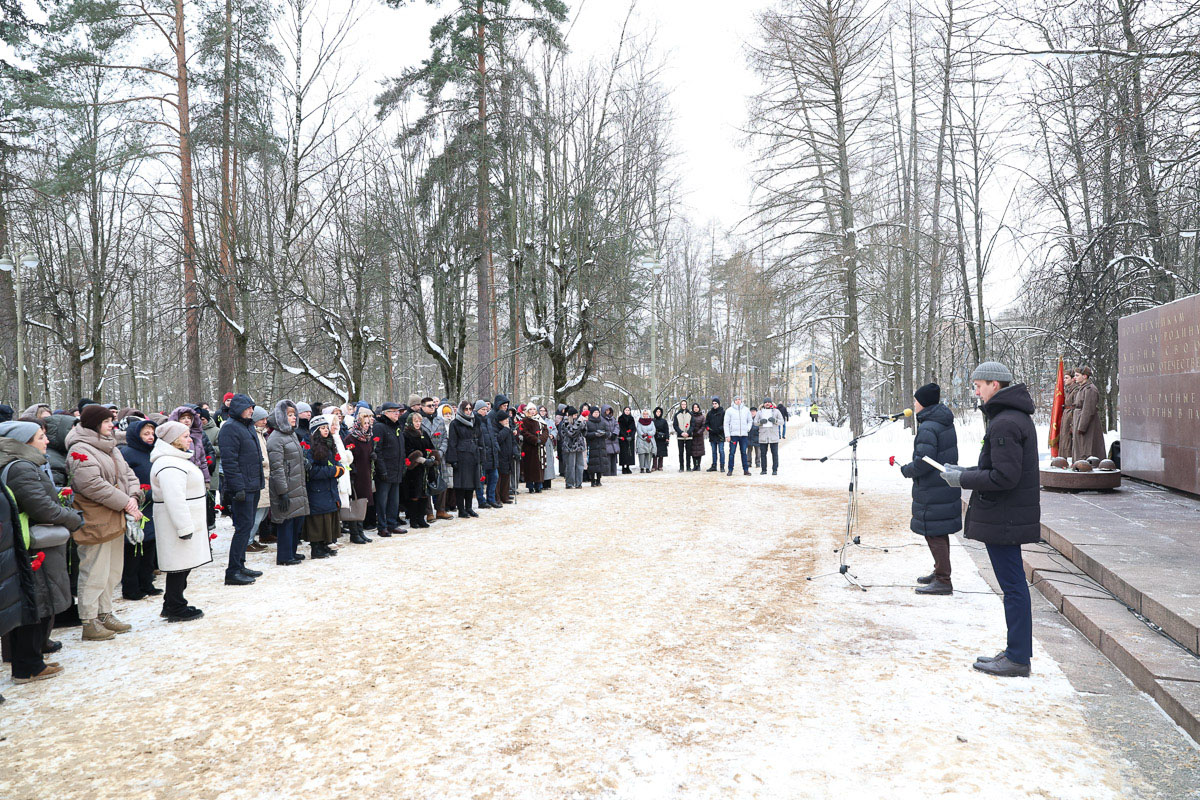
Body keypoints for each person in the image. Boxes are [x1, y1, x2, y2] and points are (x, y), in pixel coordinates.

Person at [939, 361, 1039, 678]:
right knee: (1013, 587)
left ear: (995, 385)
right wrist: (965, 473)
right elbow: (1000, 469)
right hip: (1006, 516)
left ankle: (1018, 657)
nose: (976, 391)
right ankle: (1015, 651)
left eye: (978, 385)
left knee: (1013, 588)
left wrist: (963, 479)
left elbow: (1004, 477)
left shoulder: (1005, 423)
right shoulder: (1009, 418)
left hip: (1005, 517)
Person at [0, 419, 82, 683]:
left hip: (28, 543)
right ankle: (28, 665)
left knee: (33, 600)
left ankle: (28, 659)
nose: (46, 441)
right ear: (24, 443)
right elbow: (41, 508)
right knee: (37, 601)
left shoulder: (24, 465)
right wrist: (72, 517)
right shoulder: (22, 467)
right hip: (34, 545)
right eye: (40, 437)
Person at [67, 404, 143, 641]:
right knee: (94, 572)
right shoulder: (80, 450)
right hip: (96, 520)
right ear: (94, 424)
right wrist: (126, 503)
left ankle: (105, 613)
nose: (112, 425)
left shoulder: (110, 447)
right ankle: (89, 621)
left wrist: (133, 496)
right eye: (108, 421)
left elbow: (128, 475)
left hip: (115, 516)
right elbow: (91, 485)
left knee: (112, 571)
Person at [897, 383, 961, 596]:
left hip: (934, 488)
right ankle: (940, 571)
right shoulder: (939, 420)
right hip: (941, 485)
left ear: (923, 403)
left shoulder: (929, 426)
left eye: (916, 401)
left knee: (934, 534)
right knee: (937, 532)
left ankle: (943, 580)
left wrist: (907, 470)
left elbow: (924, 461)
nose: (914, 405)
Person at [148, 421, 210, 622]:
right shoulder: (168, 464)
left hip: (185, 518)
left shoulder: (174, 459)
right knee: (179, 565)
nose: (190, 439)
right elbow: (174, 498)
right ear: (173, 441)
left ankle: (173, 601)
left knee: (183, 564)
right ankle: (175, 605)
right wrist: (184, 527)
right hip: (176, 521)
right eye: (185, 436)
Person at [216, 393, 263, 585]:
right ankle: (232, 571)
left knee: (247, 526)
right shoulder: (229, 428)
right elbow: (230, 462)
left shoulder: (248, 426)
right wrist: (237, 488)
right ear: (237, 409)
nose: (252, 410)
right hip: (242, 487)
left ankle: (241, 565)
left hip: (253, 484)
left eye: (252, 407)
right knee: (242, 528)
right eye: (248, 407)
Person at [117, 418, 160, 600]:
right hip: (136, 504)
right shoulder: (127, 453)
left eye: (152, 434)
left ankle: (147, 582)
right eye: (146, 434)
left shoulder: (154, 452)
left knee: (149, 545)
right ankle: (131, 587)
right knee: (134, 548)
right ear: (136, 435)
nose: (150, 437)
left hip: (151, 505)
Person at [266, 400, 308, 565]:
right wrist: (282, 492)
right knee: (286, 522)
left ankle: (292, 551)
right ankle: (284, 556)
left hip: (296, 483)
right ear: (281, 417)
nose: (293, 418)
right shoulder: (275, 439)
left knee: (296, 519)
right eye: (289, 415)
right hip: (286, 486)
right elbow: (277, 468)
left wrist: (304, 461)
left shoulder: (291, 434)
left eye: (294, 414)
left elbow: (294, 457)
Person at [373, 402, 406, 536]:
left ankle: (392, 524)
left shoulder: (397, 427)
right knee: (382, 500)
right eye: (393, 411)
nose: (397, 414)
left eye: (397, 411)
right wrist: (382, 470)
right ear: (385, 413)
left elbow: (401, 449)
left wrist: (403, 465)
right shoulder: (380, 427)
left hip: (396, 469)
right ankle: (382, 526)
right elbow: (377, 451)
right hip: (385, 470)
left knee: (394, 500)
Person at [344, 408, 376, 543]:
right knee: (356, 502)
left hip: (366, 473)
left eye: (368, 423)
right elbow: (346, 456)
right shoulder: (351, 438)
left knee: (363, 502)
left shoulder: (368, 438)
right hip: (355, 475)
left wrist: (373, 456)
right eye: (365, 423)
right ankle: (354, 532)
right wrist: (352, 469)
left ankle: (360, 530)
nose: (367, 426)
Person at [445, 400, 481, 517]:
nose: (469, 411)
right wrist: (453, 459)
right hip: (461, 455)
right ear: (461, 410)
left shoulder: (474, 421)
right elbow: (452, 442)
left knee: (471, 483)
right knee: (461, 484)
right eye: (466, 409)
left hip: (472, 454)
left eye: (470, 409)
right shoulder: (455, 423)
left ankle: (469, 507)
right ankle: (461, 509)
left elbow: (479, 437)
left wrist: (480, 452)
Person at [399, 412, 434, 529]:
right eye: (416, 421)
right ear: (410, 422)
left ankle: (421, 518)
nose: (418, 424)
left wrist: (433, 457)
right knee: (414, 494)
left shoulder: (424, 433)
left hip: (424, 469)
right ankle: (413, 520)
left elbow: (430, 446)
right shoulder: (406, 434)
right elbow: (407, 451)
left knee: (424, 493)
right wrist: (421, 459)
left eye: (419, 421)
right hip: (413, 469)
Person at [247, 407, 272, 552]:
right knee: (256, 514)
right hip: (261, 476)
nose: (265, 422)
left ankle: (251, 539)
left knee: (262, 513)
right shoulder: (254, 435)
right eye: (262, 419)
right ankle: (248, 540)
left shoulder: (262, 434)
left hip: (266, 477)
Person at [1072, 366, 1105, 460]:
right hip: (1079, 419)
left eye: (1077, 375)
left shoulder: (1090, 389)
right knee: (1080, 448)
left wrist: (1082, 426)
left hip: (1086, 424)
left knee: (1086, 448)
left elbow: (1088, 410)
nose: (1075, 378)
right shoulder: (1082, 388)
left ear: (1085, 376)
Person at [475, 400, 501, 509]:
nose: (485, 411)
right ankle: (481, 501)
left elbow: (493, 435)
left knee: (494, 477)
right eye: (483, 409)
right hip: (482, 454)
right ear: (477, 410)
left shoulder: (489, 420)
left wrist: (496, 447)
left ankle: (491, 499)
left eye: (486, 409)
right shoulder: (475, 421)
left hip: (492, 453)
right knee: (481, 479)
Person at [432, 403, 456, 514]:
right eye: (445, 413)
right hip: (440, 455)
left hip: (450, 454)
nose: (448, 415)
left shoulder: (453, 423)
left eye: (449, 413)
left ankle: (451, 503)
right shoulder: (439, 423)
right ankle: (441, 505)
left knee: (450, 480)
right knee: (440, 480)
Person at [518, 404, 548, 493]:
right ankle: (530, 486)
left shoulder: (540, 420)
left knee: (539, 467)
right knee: (530, 467)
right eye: (530, 409)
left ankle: (539, 485)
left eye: (534, 409)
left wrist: (541, 440)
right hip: (529, 448)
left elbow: (545, 431)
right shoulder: (525, 420)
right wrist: (535, 440)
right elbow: (524, 432)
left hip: (540, 447)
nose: (532, 411)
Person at [724, 395, 753, 476]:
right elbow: (726, 423)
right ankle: (730, 469)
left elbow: (750, 420)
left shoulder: (746, 410)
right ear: (734, 401)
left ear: (741, 400)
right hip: (733, 435)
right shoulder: (729, 410)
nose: (738, 401)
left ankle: (746, 470)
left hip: (743, 435)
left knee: (744, 452)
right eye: (736, 399)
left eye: (739, 399)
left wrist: (747, 428)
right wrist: (727, 435)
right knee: (732, 453)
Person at [560, 407, 586, 488]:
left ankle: (579, 483)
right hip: (569, 447)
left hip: (579, 446)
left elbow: (584, 433)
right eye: (574, 415)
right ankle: (570, 483)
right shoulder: (565, 422)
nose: (576, 416)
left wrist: (584, 426)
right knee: (570, 466)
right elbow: (571, 433)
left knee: (580, 466)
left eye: (576, 414)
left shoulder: (579, 422)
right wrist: (579, 425)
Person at [756, 398, 782, 475]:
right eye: (765, 402)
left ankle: (775, 470)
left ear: (771, 403)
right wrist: (760, 422)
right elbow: (754, 422)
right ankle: (764, 470)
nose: (767, 403)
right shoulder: (759, 412)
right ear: (763, 404)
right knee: (763, 454)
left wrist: (775, 421)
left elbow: (782, 421)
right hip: (763, 436)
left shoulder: (776, 411)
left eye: (768, 402)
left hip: (773, 435)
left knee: (775, 454)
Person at [584, 406, 608, 487]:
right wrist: (594, 434)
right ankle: (592, 481)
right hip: (592, 446)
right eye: (595, 412)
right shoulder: (588, 423)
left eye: (597, 412)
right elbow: (585, 434)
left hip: (601, 445)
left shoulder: (603, 422)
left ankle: (598, 480)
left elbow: (608, 433)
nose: (596, 414)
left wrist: (604, 434)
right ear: (592, 413)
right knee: (592, 465)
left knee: (600, 464)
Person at [495, 412, 516, 499]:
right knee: (500, 477)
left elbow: (513, 441)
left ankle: (505, 495)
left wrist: (515, 452)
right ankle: (498, 497)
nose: (507, 421)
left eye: (508, 419)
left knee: (507, 475)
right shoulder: (498, 428)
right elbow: (499, 439)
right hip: (500, 455)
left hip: (508, 455)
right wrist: (506, 429)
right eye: (505, 419)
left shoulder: (508, 429)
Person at [1059, 369, 1076, 463]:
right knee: (1064, 438)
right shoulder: (1067, 389)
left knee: (1069, 439)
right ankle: (1063, 458)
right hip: (1066, 414)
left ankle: (1069, 458)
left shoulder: (1076, 389)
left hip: (1071, 415)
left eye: (1066, 378)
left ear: (1073, 379)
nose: (1064, 380)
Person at [539, 406, 557, 489]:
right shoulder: (537, 420)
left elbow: (554, 429)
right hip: (540, 444)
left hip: (548, 443)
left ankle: (548, 482)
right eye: (541, 411)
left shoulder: (549, 421)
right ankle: (541, 482)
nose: (542, 412)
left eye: (544, 411)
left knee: (549, 463)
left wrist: (552, 435)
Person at [705, 397, 726, 472]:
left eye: (715, 403)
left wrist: (719, 429)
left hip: (720, 435)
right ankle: (714, 465)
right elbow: (706, 423)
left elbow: (725, 423)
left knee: (721, 451)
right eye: (713, 403)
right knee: (714, 451)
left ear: (718, 404)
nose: (714, 405)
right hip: (712, 435)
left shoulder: (723, 412)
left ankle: (722, 466)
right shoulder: (710, 413)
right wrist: (709, 429)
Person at [672, 400, 692, 471]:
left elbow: (692, 425)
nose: (683, 406)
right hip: (680, 436)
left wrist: (688, 432)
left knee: (688, 452)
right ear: (681, 405)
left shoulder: (690, 414)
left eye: (685, 404)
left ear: (686, 405)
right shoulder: (677, 414)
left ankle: (688, 467)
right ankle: (681, 467)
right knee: (681, 452)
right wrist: (681, 432)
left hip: (688, 436)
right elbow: (675, 425)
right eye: (682, 404)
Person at [601, 405, 620, 476]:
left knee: (613, 459)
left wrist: (615, 434)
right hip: (606, 441)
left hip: (613, 442)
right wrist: (609, 435)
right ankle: (607, 474)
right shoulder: (601, 419)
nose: (607, 412)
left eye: (609, 410)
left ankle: (613, 473)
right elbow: (602, 428)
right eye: (606, 410)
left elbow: (617, 426)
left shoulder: (613, 418)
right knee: (607, 459)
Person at [688, 403, 707, 471]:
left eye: (697, 407)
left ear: (699, 408)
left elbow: (704, 425)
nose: (695, 408)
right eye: (694, 407)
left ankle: (698, 465)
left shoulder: (702, 416)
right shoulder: (690, 416)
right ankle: (694, 465)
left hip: (699, 436)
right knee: (693, 451)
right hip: (692, 435)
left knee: (699, 451)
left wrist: (699, 432)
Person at [617, 407, 636, 474]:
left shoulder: (631, 418)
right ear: (624, 411)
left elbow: (634, 428)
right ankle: (623, 467)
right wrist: (625, 436)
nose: (627, 411)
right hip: (623, 438)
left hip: (630, 438)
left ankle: (628, 466)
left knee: (629, 453)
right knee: (623, 453)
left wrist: (631, 436)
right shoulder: (620, 418)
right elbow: (620, 429)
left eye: (628, 410)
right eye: (626, 410)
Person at [652, 407, 670, 472]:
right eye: (657, 412)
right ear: (655, 413)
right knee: (654, 453)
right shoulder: (652, 421)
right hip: (655, 438)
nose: (658, 413)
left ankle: (660, 466)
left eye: (659, 412)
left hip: (662, 438)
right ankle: (654, 466)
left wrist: (667, 438)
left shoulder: (664, 421)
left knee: (661, 453)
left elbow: (667, 430)